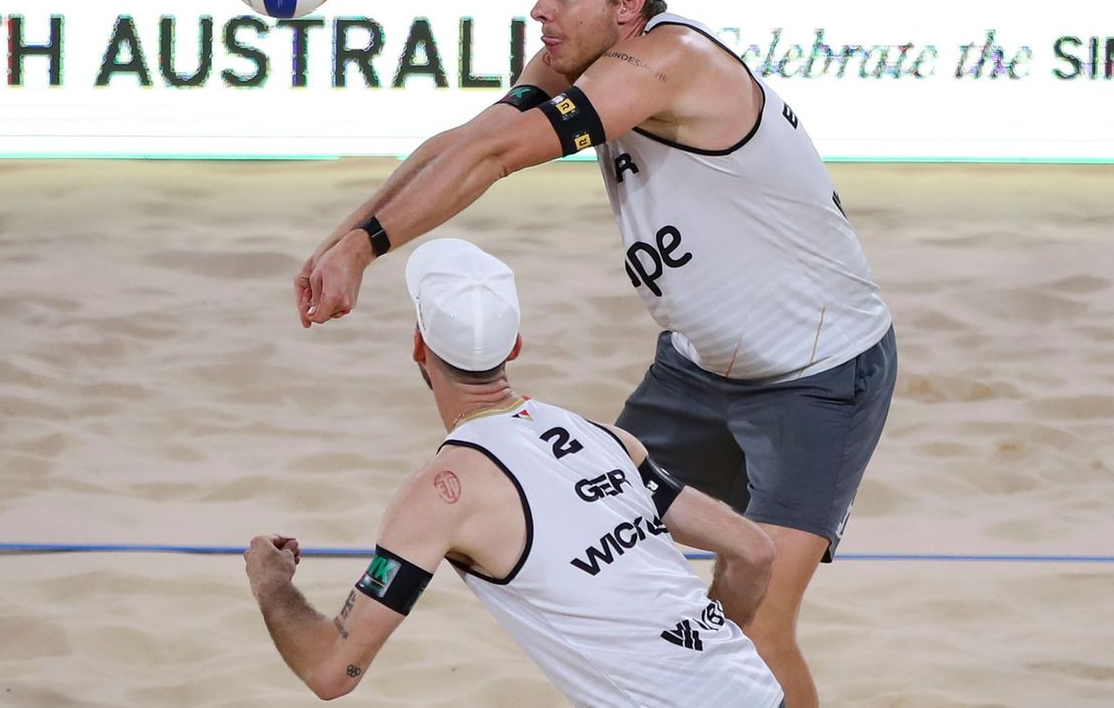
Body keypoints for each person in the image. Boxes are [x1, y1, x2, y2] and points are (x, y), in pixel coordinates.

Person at [292, 0, 897, 708]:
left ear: (628, 3)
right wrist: (342, 243)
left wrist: (367, 247)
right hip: (693, 370)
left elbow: (500, 158)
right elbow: (467, 141)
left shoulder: (667, 61)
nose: (542, 10)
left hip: (818, 379)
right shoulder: (577, 58)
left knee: (753, 622)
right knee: (629, 583)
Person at [248, 238, 784, 706]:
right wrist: (699, 650)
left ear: (418, 345)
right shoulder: (603, 437)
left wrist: (272, 585)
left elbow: (331, 671)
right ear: (515, 346)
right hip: (756, 690)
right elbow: (753, 551)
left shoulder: (441, 493)